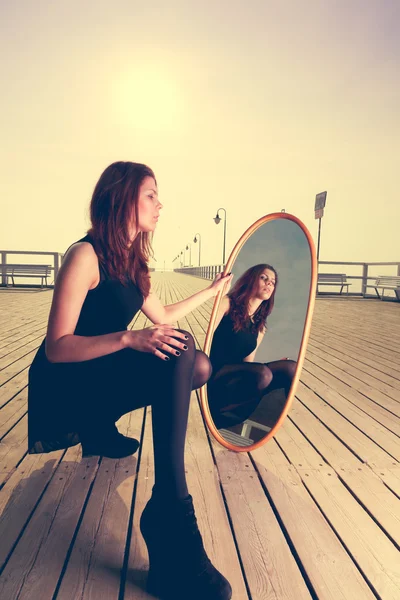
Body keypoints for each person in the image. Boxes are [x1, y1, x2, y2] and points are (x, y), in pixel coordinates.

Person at [27, 161, 233, 600]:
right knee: (181, 353)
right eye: (151, 195)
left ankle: (101, 432)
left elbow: (163, 317)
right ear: (123, 198)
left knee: (196, 363)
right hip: (64, 383)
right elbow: (56, 348)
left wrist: (211, 292)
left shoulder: (132, 261)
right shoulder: (85, 255)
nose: (161, 205)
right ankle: (170, 509)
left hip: (100, 374)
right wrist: (128, 337)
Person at [207, 264, 297, 430]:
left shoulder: (260, 327)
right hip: (213, 376)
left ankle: (280, 423)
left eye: (273, 282)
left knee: (290, 368)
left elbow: (247, 365)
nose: (269, 283)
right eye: (264, 277)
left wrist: (269, 367)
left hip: (235, 382)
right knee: (263, 373)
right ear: (251, 280)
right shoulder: (227, 304)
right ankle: (217, 412)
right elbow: (202, 336)